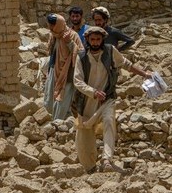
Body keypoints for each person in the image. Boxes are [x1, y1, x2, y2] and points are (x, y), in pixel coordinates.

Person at [73, 26, 151, 173]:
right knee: (84, 135)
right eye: (92, 39)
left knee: (109, 121)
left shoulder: (110, 51)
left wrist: (144, 74)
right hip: (87, 102)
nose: (95, 42)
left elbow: (126, 64)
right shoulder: (81, 57)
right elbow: (77, 81)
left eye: (98, 39)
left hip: (107, 99)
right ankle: (90, 167)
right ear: (88, 40)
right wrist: (93, 92)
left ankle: (107, 160)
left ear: (102, 39)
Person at [43, 13, 84, 120]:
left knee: (62, 100)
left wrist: (69, 43)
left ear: (58, 25)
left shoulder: (72, 35)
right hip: (53, 70)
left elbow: (81, 53)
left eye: (51, 25)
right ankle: (58, 121)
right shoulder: (53, 35)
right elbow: (51, 52)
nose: (50, 28)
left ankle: (58, 124)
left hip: (67, 73)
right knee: (50, 98)